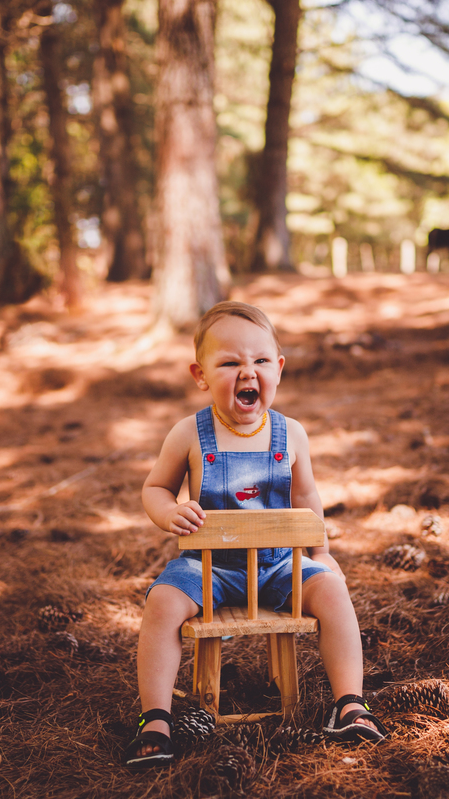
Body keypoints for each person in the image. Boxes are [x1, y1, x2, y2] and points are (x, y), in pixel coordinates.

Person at [122, 301, 385, 768]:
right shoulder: (189, 434)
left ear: (278, 369)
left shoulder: (291, 434)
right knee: (161, 602)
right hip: (210, 569)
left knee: (334, 591)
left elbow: (306, 496)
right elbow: (155, 487)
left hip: (279, 563)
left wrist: (321, 552)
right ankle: (155, 719)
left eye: (260, 360)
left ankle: (349, 704)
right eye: (230, 363)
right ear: (201, 376)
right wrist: (169, 512)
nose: (248, 372)